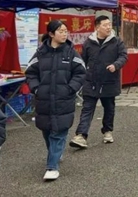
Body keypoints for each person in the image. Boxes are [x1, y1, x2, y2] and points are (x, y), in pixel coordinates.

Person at [25, 20, 86, 181]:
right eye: (60, 31)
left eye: (66, 31)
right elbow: (30, 72)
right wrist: (36, 88)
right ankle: (55, 154)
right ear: (51, 34)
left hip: (63, 99)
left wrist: (71, 88)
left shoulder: (71, 52)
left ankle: (52, 167)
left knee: (59, 131)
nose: (64, 34)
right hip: (44, 99)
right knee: (46, 130)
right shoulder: (40, 52)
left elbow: (81, 72)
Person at [70, 16, 128, 149]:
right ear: (97, 27)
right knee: (87, 109)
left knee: (109, 108)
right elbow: (82, 60)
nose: (108, 27)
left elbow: (123, 56)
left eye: (109, 24)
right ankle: (81, 135)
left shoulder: (116, 41)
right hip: (91, 81)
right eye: (105, 25)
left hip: (109, 80)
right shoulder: (89, 42)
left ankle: (107, 131)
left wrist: (116, 65)